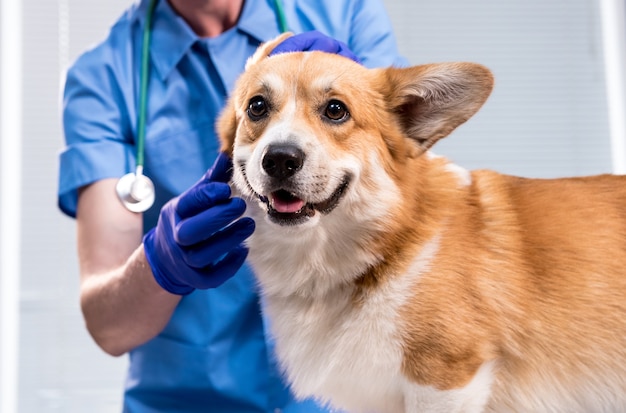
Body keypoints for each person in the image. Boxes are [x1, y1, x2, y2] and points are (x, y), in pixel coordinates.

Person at [57, 0, 407, 411]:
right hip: (190, 401)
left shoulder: (344, 12)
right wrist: (160, 263)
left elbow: (407, 192)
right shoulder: (105, 79)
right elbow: (109, 328)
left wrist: (357, 103)